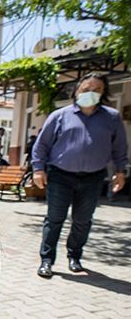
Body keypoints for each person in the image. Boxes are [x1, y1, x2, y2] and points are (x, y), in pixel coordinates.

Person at [32, 73, 128, 278]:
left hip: (93, 178)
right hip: (60, 176)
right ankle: (47, 260)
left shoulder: (111, 117)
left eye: (96, 90)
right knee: (55, 219)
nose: (90, 93)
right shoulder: (60, 116)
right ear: (77, 90)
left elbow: (119, 148)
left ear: (103, 93)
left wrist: (120, 172)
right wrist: (38, 169)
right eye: (86, 89)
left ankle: (74, 256)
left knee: (83, 220)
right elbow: (42, 145)